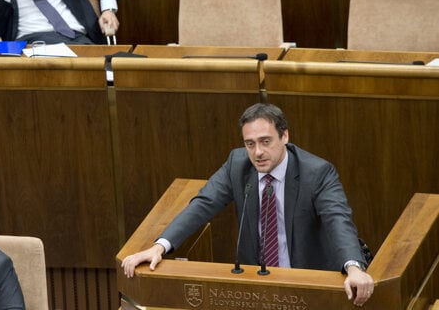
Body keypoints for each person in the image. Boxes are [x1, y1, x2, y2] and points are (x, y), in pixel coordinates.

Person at [121, 103, 375, 307]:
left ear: (284, 136)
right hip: (256, 284)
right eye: (250, 144)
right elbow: (203, 204)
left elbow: (338, 219)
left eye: (266, 141)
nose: (257, 153)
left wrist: (354, 267)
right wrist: (160, 246)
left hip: (308, 283)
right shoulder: (238, 164)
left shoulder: (317, 172)